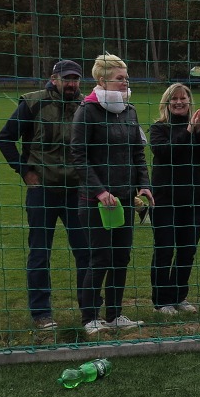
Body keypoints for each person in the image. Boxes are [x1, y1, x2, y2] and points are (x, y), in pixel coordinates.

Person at [0, 59, 90, 330]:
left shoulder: (85, 105)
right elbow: (5, 138)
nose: (71, 84)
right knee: (40, 253)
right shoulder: (32, 103)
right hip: (43, 191)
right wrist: (24, 170)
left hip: (76, 191)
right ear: (54, 78)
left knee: (85, 252)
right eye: (66, 78)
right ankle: (41, 313)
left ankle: (89, 309)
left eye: (75, 79)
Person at [71, 54, 154, 335]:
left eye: (126, 77)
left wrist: (143, 185)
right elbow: (78, 156)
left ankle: (115, 313)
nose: (125, 82)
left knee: (121, 257)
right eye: (119, 78)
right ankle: (90, 316)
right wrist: (99, 191)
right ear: (101, 80)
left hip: (123, 201)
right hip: (94, 202)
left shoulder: (129, 111)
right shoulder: (87, 110)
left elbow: (137, 153)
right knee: (99, 258)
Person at [148, 83, 200, 315]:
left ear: (189, 101)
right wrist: (188, 131)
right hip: (165, 199)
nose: (179, 102)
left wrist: (197, 132)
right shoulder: (158, 128)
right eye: (174, 98)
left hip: (194, 199)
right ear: (167, 102)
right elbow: (166, 152)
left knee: (187, 250)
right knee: (165, 249)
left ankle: (179, 296)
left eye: (183, 98)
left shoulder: (198, 127)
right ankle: (161, 301)